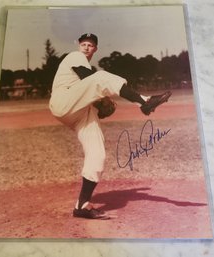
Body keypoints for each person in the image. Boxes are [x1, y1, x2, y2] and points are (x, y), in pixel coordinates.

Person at [49, 33, 171, 219]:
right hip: (62, 101)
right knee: (101, 77)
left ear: (95, 49)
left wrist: (98, 104)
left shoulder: (86, 64)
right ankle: (144, 101)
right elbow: (89, 77)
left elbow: (88, 86)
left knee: (97, 153)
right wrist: (103, 99)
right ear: (78, 45)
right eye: (84, 44)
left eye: (91, 45)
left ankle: (82, 205)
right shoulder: (74, 57)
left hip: (79, 111)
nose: (87, 47)